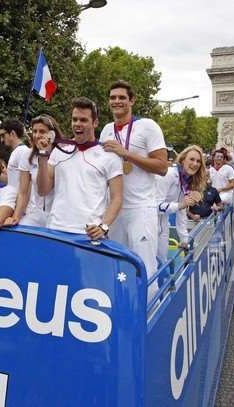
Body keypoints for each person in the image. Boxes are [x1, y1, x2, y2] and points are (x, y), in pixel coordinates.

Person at [99, 81, 168, 300]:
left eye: (121, 97)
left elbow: (162, 167)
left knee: (144, 268)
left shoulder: (148, 126)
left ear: (132, 100)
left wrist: (125, 153)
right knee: (118, 269)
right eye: (112, 98)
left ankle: (150, 320)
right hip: (115, 209)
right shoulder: (106, 130)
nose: (116, 101)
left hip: (141, 207)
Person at [35, 97, 123, 242]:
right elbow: (43, 190)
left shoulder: (110, 156)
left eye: (83, 120)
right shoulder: (59, 150)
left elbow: (117, 198)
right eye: (74, 119)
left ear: (95, 123)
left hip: (87, 234)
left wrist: (103, 227)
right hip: (56, 229)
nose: (77, 124)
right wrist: (43, 156)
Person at [3, 115, 62, 227]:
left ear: (52, 134)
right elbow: (23, 192)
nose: (37, 135)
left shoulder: (63, 153)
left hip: (60, 215)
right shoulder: (28, 155)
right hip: (38, 214)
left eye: (42, 131)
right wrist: (15, 217)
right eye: (34, 131)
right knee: (20, 232)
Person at [155, 146, 206, 262]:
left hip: (163, 225)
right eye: (191, 159)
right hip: (148, 225)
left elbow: (182, 211)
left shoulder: (186, 180)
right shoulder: (169, 174)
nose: (195, 164)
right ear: (182, 160)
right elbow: (154, 206)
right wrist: (179, 205)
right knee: (150, 267)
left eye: (198, 161)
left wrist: (184, 239)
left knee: (161, 263)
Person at [0, 119, 30, 191]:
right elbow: (12, 181)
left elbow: (25, 186)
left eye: (3, 135)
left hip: (22, 201)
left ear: (12, 133)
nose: (1, 139)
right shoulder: (17, 151)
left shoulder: (23, 152)